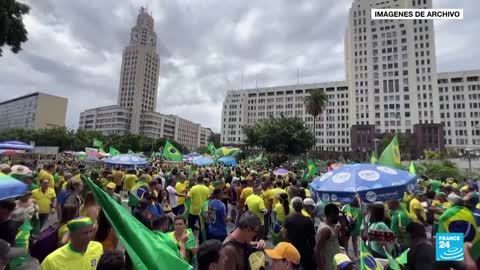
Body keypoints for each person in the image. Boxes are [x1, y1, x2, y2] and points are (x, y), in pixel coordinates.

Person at [282, 197, 316, 270]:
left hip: (292, 247)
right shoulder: (308, 220)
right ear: (302, 207)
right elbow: (312, 237)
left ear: (293, 207)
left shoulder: (288, 219)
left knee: (293, 266)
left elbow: (284, 235)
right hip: (305, 249)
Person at [315, 204, 341, 270]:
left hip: (334, 263)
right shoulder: (325, 230)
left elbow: (332, 240)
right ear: (331, 215)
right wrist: (321, 267)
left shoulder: (331, 225)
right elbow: (317, 250)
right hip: (328, 265)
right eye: (337, 214)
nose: (338, 217)